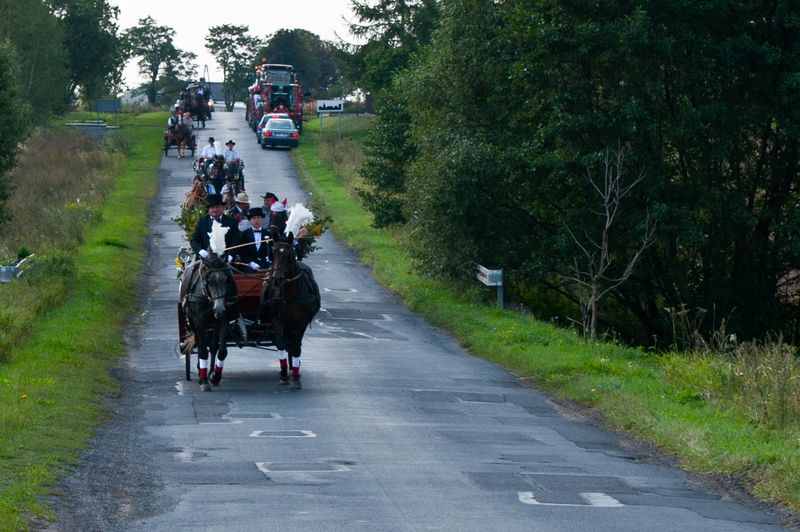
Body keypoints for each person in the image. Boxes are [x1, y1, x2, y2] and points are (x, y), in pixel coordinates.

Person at [190, 194, 240, 260]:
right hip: (206, 258)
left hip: (226, 258)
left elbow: (236, 241)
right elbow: (194, 240)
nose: (215, 209)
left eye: (218, 207)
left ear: (222, 208)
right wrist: (200, 251)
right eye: (212, 207)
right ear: (208, 209)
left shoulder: (232, 222)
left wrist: (231, 255)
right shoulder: (202, 222)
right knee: (191, 269)